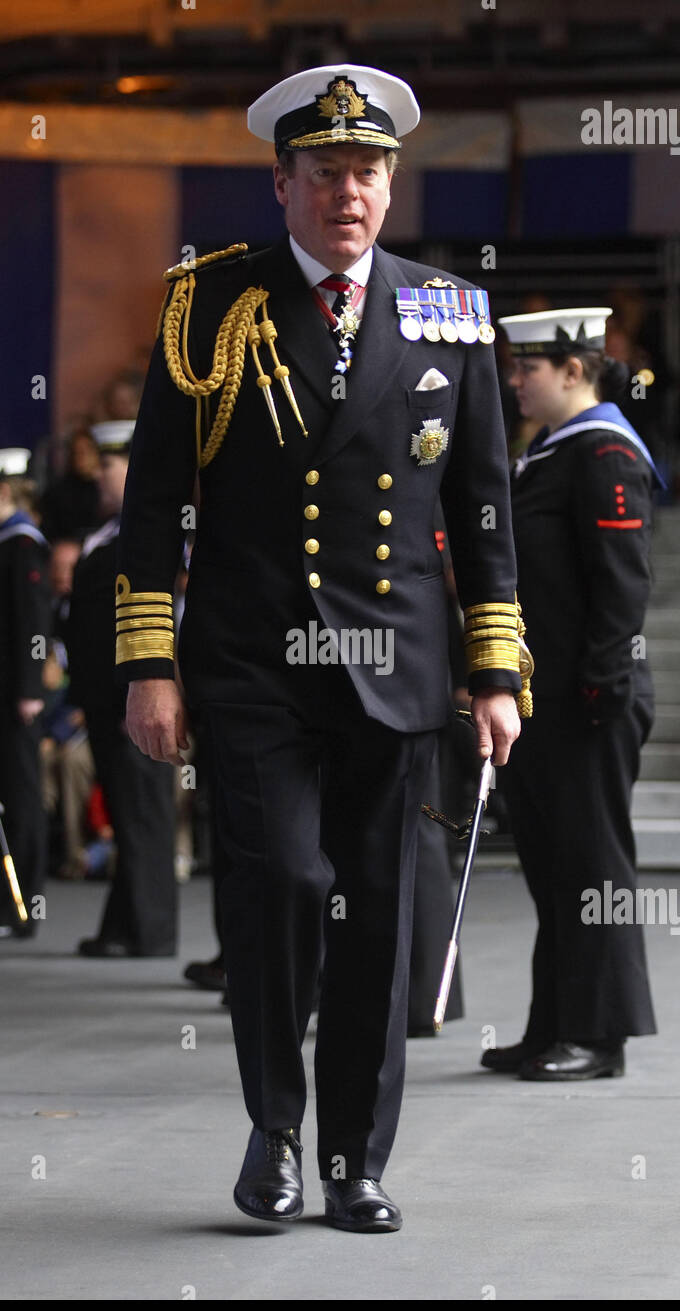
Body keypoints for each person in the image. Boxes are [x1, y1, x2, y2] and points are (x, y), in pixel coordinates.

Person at [117, 64, 527, 1232]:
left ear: (389, 185)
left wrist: (493, 667)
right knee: (286, 886)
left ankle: (354, 1159)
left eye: (368, 172)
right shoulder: (210, 306)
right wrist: (151, 661)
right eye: (326, 173)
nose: (349, 193)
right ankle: (274, 1127)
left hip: (393, 667)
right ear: (281, 184)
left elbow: (482, 509)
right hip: (252, 664)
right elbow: (154, 501)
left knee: (377, 918)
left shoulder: (446, 311)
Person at [485, 307, 658, 1081]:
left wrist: (602, 687)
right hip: (542, 698)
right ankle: (555, 1023)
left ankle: (599, 1035)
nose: (515, 381)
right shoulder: (550, 454)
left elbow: (621, 591)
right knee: (555, 866)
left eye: (528, 368)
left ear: (574, 370)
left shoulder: (604, 453)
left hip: (590, 695)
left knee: (593, 868)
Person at [67, 421, 178, 958]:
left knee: (142, 810)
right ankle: (125, 921)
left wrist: (136, 691)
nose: (101, 480)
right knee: (125, 809)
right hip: (101, 698)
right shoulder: (106, 534)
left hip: (127, 695)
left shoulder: (138, 539)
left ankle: (150, 927)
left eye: (109, 468)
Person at [0, 449, 51, 940]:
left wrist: (30, 689)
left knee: (21, 797)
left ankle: (23, 905)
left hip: (16, 696)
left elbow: (31, 620)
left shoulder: (21, 543)